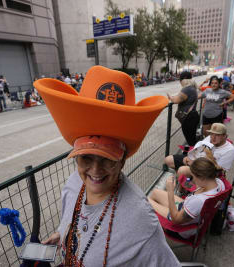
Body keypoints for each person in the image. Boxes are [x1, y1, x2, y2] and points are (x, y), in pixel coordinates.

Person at [35, 66, 180, 266]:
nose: (95, 170)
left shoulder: (140, 221)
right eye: (86, 157)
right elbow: (74, 222)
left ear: (122, 160)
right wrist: (62, 235)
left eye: (107, 159)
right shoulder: (73, 183)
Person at [148, 157, 225, 238]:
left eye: (193, 177)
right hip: (187, 209)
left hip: (181, 228)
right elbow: (196, 188)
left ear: (202, 177)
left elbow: (176, 219)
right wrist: (186, 180)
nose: (193, 180)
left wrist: (170, 191)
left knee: (145, 200)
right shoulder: (219, 183)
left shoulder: (199, 201)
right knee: (155, 192)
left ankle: (151, 230)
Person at [165, 123, 234, 179]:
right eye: (212, 134)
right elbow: (198, 151)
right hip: (197, 161)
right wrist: (189, 158)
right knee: (168, 160)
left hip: (208, 171)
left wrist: (196, 162)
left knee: (182, 170)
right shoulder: (209, 138)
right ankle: (186, 179)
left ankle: (183, 188)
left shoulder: (230, 150)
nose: (213, 137)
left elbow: (218, 171)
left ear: (225, 136)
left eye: (217, 135)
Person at [167, 71, 200, 146]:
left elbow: (176, 100)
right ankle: (193, 153)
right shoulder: (192, 88)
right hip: (192, 116)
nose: (180, 82)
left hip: (189, 118)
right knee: (191, 139)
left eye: (180, 80)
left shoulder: (187, 89)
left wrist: (170, 97)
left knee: (190, 141)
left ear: (183, 80)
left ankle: (192, 155)